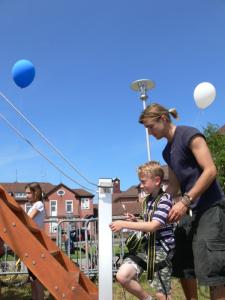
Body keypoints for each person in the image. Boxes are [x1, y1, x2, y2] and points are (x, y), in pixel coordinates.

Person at [139, 103, 225, 300]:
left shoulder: (189, 135)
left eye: (150, 127)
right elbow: (174, 186)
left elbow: (210, 170)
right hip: (190, 213)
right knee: (183, 265)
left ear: (163, 119)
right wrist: (157, 205)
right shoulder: (166, 152)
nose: (150, 133)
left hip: (210, 209)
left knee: (212, 271)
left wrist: (185, 201)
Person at [110, 161, 175, 300]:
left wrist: (122, 223)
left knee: (162, 293)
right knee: (122, 276)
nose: (141, 185)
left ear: (157, 180)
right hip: (146, 247)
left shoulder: (165, 199)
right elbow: (148, 223)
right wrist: (135, 221)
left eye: (143, 182)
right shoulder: (146, 201)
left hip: (161, 250)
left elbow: (153, 226)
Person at [25, 182, 45, 300]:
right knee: (32, 277)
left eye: (28, 193)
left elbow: (27, 219)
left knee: (37, 277)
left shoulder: (38, 204)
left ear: (35, 193)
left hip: (35, 243)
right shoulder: (33, 205)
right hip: (31, 242)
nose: (26, 196)